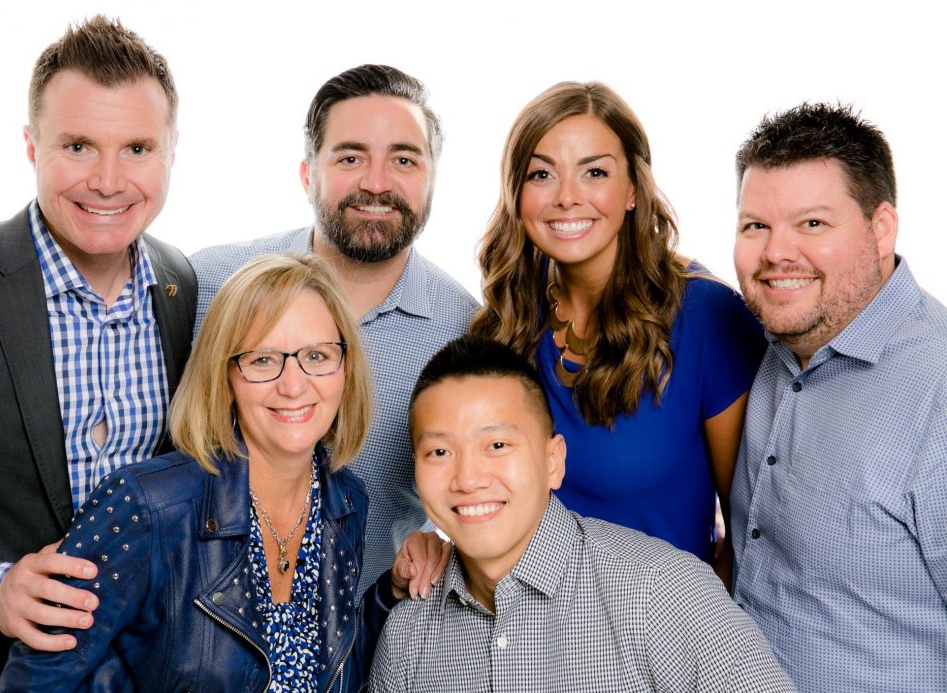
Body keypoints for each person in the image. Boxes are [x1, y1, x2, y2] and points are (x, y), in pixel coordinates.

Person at [0, 254, 446, 692]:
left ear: (345, 368)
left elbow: (320, 666)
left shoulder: (345, 501)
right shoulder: (145, 506)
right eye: (263, 360)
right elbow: (34, 681)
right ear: (224, 375)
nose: (293, 385)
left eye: (317, 355)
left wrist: (390, 592)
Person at [0, 17, 196, 690]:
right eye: (79, 145)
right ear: (32, 145)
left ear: (173, 151)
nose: (109, 180)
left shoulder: (181, 288)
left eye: (138, 148)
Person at [369, 335, 795, 692]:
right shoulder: (408, 637)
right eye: (439, 452)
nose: (467, 478)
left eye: (497, 445)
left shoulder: (661, 593)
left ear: (554, 461)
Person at [191, 64, 477, 595]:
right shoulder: (208, 286)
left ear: (432, 177)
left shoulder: (465, 333)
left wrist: (437, 539)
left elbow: (464, 496)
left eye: (404, 159)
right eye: (350, 157)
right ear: (307, 175)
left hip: (363, 648)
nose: (376, 183)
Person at [471, 82, 763, 580]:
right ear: (516, 192)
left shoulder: (706, 317)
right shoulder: (510, 311)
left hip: (664, 634)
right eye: (542, 173)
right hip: (530, 635)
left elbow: (751, 531)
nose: (567, 197)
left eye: (595, 172)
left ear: (632, 189)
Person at [730, 103, 947, 692]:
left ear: (881, 229)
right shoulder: (776, 342)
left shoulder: (937, 390)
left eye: (813, 225)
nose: (777, 254)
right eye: (756, 226)